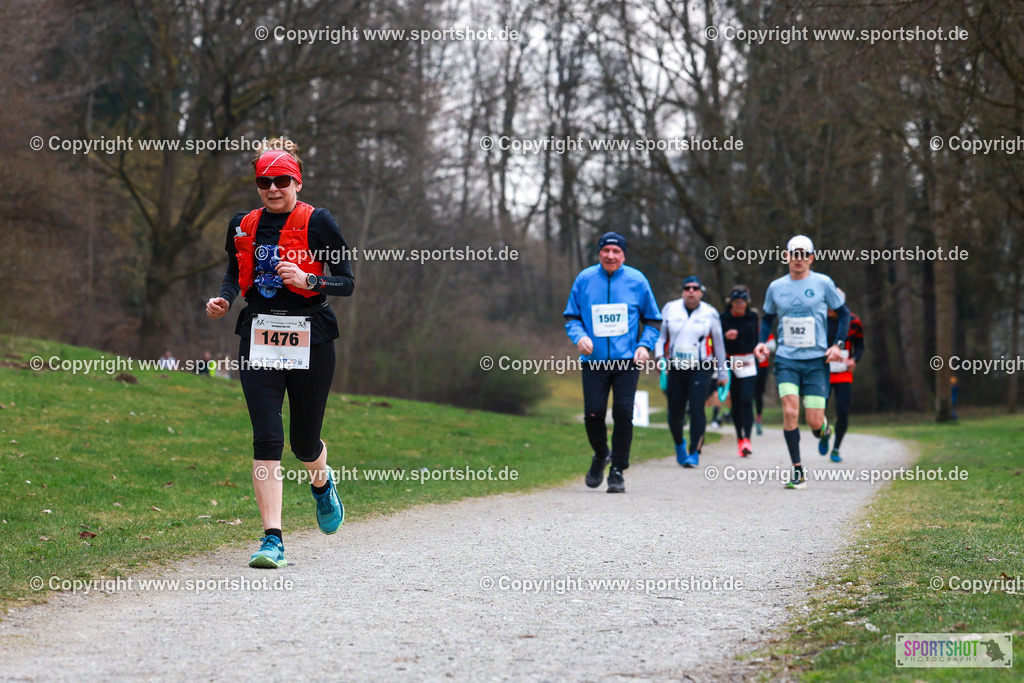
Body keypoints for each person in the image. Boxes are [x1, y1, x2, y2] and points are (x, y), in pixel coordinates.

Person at [206, 139, 355, 567]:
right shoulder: (242, 224)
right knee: (266, 435)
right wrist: (224, 298)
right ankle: (273, 539)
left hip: (312, 334)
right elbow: (234, 273)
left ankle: (322, 485)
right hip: (259, 333)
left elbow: (346, 281)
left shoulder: (318, 221)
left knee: (303, 442)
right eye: (264, 181)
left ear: (297, 181)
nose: (273, 188)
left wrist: (311, 281)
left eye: (281, 180)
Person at [564, 232, 661, 493]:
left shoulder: (637, 280)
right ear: (599, 253)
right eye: (606, 250)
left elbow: (652, 320)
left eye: (616, 252)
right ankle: (601, 455)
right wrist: (580, 336)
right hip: (594, 362)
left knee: (622, 413)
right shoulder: (585, 279)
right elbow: (571, 317)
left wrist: (644, 345)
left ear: (624, 255)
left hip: (626, 361)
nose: (610, 255)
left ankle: (617, 471)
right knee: (593, 414)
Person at [754, 235, 849, 489]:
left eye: (803, 254)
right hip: (787, 360)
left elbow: (844, 314)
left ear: (811, 258)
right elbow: (767, 318)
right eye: (794, 254)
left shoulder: (823, 283)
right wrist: (763, 341)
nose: (798, 259)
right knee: (790, 410)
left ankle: (824, 431)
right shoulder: (776, 287)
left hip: (817, 361)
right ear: (786, 257)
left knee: (814, 420)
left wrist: (837, 345)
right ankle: (797, 471)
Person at [655, 276, 727, 468]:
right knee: (675, 412)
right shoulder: (670, 308)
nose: (691, 291)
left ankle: (694, 451)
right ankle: (680, 444)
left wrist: (722, 373)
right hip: (676, 367)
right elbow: (661, 337)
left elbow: (719, 345)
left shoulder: (710, 313)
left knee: (697, 409)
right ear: (682, 291)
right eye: (687, 288)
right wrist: (660, 358)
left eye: (695, 288)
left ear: (701, 292)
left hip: (701, 367)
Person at [721, 285, 760, 457]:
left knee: (746, 399)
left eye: (743, 302)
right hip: (731, 361)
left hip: (749, 361)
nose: (740, 305)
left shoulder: (753, 316)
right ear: (731, 303)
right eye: (737, 302)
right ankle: (739, 438)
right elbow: (716, 338)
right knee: (736, 402)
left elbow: (755, 336)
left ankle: (747, 438)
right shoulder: (723, 318)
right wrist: (725, 335)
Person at [826, 299, 864, 462]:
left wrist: (854, 359)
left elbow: (860, 344)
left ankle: (836, 448)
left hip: (843, 373)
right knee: (818, 411)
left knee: (843, 411)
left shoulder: (853, 321)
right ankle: (824, 432)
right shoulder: (819, 319)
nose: (829, 309)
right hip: (822, 372)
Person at [754, 333, 776, 435]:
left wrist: (762, 345)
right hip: (746, 366)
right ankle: (747, 419)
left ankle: (758, 419)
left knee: (759, 394)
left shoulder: (765, 331)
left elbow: (773, 346)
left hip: (762, 367)